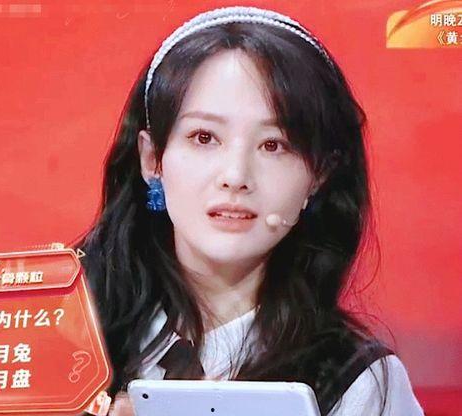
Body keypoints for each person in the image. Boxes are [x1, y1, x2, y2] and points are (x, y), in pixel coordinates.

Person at [77, 6, 424, 416]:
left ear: (318, 175)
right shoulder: (72, 340)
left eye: (273, 145)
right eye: (204, 137)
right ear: (153, 160)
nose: (236, 176)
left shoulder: (358, 381)